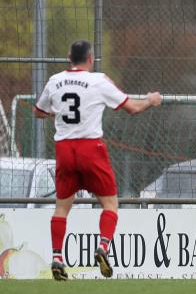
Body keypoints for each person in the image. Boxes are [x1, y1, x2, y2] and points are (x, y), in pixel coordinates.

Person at [33, 40, 162, 281]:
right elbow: (132, 108)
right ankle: (103, 246)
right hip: (91, 148)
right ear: (90, 59)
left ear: (68, 56)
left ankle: (57, 258)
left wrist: (56, 113)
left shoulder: (54, 81)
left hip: (64, 148)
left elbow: (38, 111)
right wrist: (151, 100)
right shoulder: (99, 81)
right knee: (110, 204)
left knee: (62, 207)